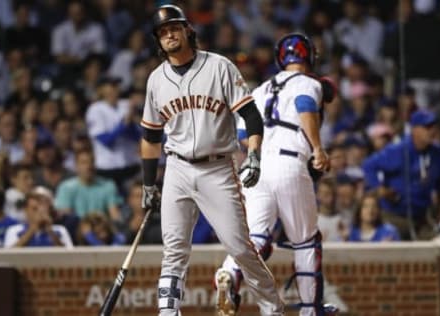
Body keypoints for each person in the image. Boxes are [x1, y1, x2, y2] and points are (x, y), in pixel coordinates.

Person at [140, 5, 284, 316]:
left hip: (217, 167)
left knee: (240, 248)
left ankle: (272, 308)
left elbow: (251, 115)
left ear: (187, 30)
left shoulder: (219, 66)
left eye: (174, 28)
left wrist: (255, 155)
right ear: (158, 40)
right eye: (163, 32)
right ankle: (168, 313)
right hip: (176, 167)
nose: (169, 35)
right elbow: (151, 137)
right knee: (173, 251)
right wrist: (148, 184)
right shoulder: (155, 80)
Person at [217, 33, 337, 316]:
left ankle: (230, 273)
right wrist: (318, 149)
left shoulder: (260, 89)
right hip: (290, 162)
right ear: (308, 56)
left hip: (256, 166)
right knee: (306, 240)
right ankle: (310, 309)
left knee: (256, 236)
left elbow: (244, 135)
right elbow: (305, 106)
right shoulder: (308, 83)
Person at [362, 109, 440, 240]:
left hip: (422, 217)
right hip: (394, 216)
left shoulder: (437, 152)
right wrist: (380, 189)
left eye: (433, 126)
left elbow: (439, 182)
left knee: (432, 253)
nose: (432, 130)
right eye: (427, 127)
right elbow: (368, 165)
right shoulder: (398, 150)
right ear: (414, 129)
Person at [54, 148, 122, 222]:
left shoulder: (108, 185)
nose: (88, 166)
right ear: (76, 166)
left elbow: (115, 216)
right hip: (76, 230)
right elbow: (66, 217)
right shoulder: (65, 188)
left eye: (91, 162)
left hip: (102, 228)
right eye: (84, 162)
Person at [4, 191, 73, 248]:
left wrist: (51, 232)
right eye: (35, 209)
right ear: (26, 210)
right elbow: (9, 255)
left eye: (43, 209)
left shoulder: (60, 230)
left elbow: (69, 256)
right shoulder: (14, 230)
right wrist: (33, 229)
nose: (40, 212)